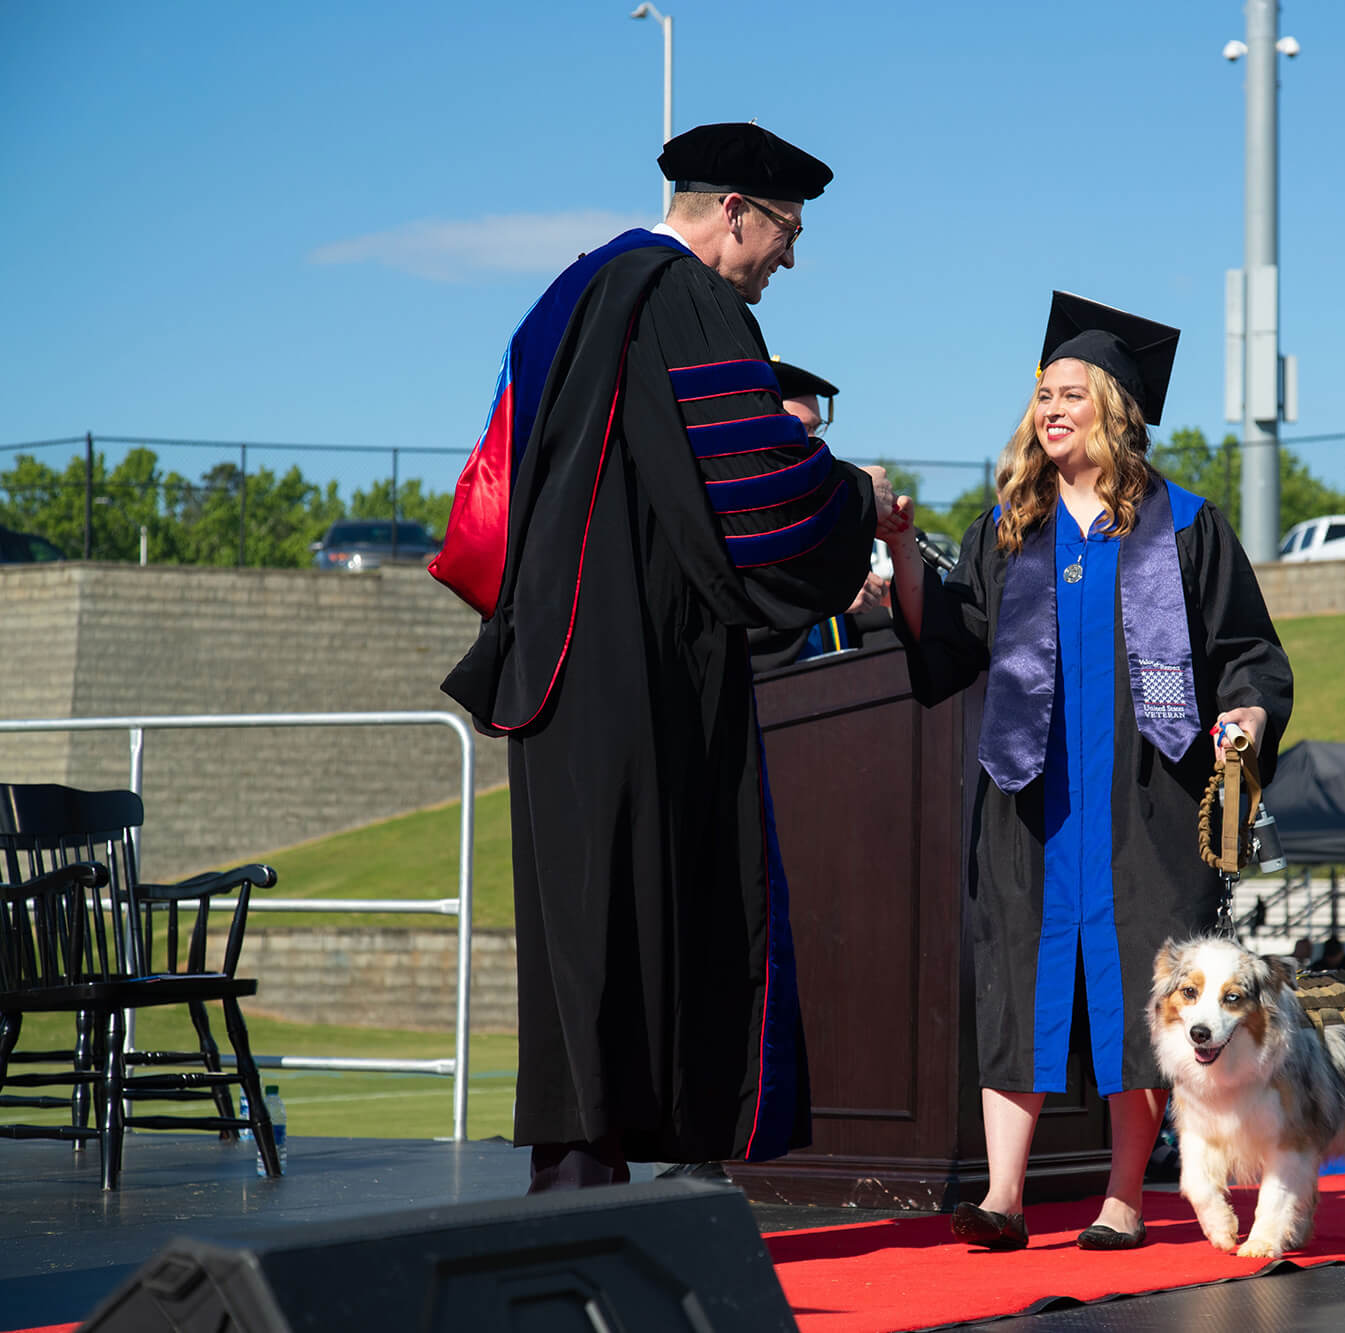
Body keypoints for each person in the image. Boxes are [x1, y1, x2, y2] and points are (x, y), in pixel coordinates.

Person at [440, 123, 907, 1192]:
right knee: (647, 902)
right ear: (733, 210)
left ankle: (576, 1164)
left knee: (584, 917)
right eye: (785, 232)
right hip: (634, 656)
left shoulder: (568, 293)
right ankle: (603, 1180)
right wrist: (853, 498)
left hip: (554, 653)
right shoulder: (683, 295)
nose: (785, 259)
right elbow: (752, 485)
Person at [886, 292, 1292, 1251]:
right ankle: (1003, 1194)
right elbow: (946, 647)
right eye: (1040, 394)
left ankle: (1122, 1197)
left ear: (1116, 407)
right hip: (1029, 800)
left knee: (1136, 993)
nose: (1049, 408)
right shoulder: (1008, 531)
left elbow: (1250, 654)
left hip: (1145, 805)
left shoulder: (1187, 527)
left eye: (1070, 392)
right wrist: (904, 552)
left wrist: (1247, 711)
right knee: (1017, 978)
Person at [747, 359, 894, 671]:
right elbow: (744, 622)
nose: (813, 443)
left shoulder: (828, 519)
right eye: (800, 428)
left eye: (816, 429)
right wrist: (828, 596)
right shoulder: (743, 520)